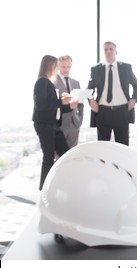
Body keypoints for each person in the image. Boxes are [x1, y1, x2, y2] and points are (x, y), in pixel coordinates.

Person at [32, 55, 75, 190]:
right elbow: (41, 104)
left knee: (66, 153)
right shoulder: (41, 82)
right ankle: (44, 189)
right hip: (44, 124)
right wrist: (61, 101)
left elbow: (53, 106)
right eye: (56, 66)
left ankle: (63, 184)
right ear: (49, 66)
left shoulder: (48, 83)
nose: (57, 69)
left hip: (53, 125)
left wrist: (69, 106)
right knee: (49, 157)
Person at [87, 41, 137, 145]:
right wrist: (91, 100)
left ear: (116, 52)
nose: (108, 51)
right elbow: (89, 89)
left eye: (111, 49)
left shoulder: (126, 68)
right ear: (103, 53)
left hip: (122, 111)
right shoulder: (96, 69)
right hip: (103, 112)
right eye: (105, 49)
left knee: (123, 147)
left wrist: (134, 99)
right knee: (103, 147)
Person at [55, 55, 83, 148]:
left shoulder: (76, 83)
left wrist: (80, 118)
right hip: (60, 124)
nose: (66, 69)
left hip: (74, 123)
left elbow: (81, 104)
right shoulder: (53, 82)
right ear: (58, 66)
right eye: (63, 67)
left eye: (68, 67)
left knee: (72, 155)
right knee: (59, 156)